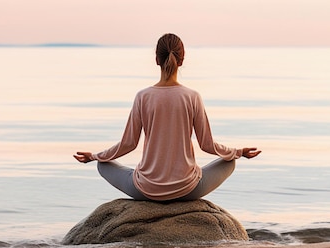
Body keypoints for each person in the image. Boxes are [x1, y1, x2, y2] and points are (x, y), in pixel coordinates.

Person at [74, 33, 261, 201]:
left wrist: (94, 156)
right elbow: (207, 145)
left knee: (102, 165)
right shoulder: (192, 97)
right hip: (187, 190)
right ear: (182, 60)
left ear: (156, 59)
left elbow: (128, 144)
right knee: (230, 162)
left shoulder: (143, 96)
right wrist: (238, 152)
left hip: (146, 190)